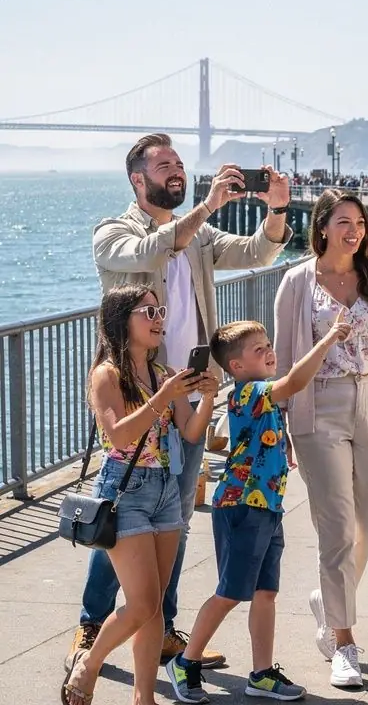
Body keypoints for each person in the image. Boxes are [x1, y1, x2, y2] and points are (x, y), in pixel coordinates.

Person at [64, 135, 292, 677]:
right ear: (137, 180)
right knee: (122, 520)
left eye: (180, 164)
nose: (176, 170)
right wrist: (207, 206)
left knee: (177, 520)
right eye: (163, 165)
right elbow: (150, 251)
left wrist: (278, 209)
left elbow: (258, 251)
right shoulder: (113, 232)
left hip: (191, 393)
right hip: (144, 397)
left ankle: (163, 629)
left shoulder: (197, 235)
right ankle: (93, 622)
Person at [273, 190, 368, 691]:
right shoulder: (297, 283)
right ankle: (344, 644)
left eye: (360, 221)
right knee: (336, 527)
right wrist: (281, 424)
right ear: (321, 228)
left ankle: (328, 598)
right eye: (343, 221)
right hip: (320, 407)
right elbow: (283, 359)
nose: (354, 230)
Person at [166, 310, 352, 705]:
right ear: (236, 365)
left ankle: (262, 673)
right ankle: (185, 661)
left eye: (269, 347)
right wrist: (328, 339)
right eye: (259, 350)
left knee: (265, 593)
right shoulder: (249, 392)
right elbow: (294, 382)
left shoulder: (260, 391)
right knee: (230, 592)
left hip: (266, 507)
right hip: (241, 507)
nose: (269, 353)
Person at [61, 286, 219, 705]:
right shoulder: (107, 375)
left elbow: (189, 433)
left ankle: (144, 702)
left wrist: (207, 395)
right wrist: (164, 396)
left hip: (165, 488)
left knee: (154, 606)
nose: (158, 318)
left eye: (161, 310)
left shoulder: (164, 372)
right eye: (149, 311)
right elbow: (119, 437)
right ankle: (89, 664)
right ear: (121, 319)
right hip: (124, 492)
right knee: (142, 601)